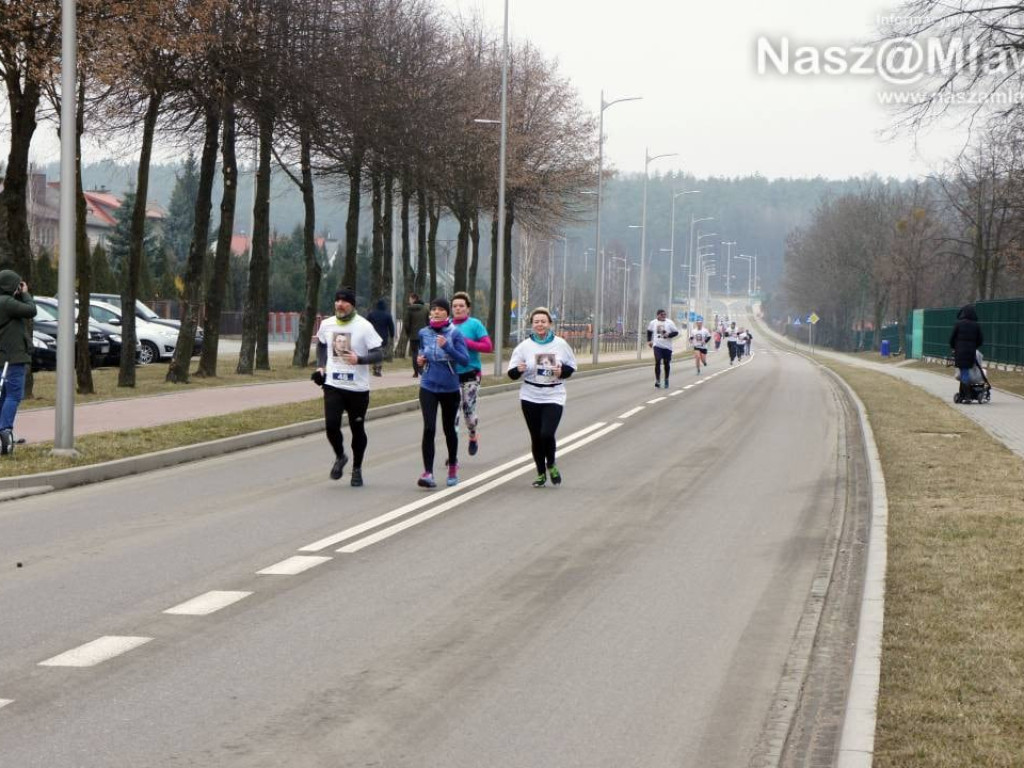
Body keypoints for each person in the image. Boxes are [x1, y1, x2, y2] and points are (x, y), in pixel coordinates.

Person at [313, 288, 383, 487]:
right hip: (333, 385)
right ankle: (340, 456)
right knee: (331, 426)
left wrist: (359, 359)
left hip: (357, 389)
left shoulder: (364, 326)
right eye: (337, 301)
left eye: (344, 302)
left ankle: (357, 468)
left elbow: (379, 354)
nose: (339, 305)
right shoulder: (327, 324)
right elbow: (321, 344)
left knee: (357, 428)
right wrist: (320, 365)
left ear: (352, 305)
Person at [508, 307, 577, 488]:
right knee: (536, 437)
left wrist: (562, 372)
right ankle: (540, 473)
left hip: (554, 394)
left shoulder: (560, 344)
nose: (540, 325)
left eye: (543, 321)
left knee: (547, 433)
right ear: (532, 325)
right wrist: (519, 370)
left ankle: (551, 464)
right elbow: (512, 373)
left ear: (549, 323)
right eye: (536, 322)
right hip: (530, 395)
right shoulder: (524, 347)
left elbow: (572, 367)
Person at [416, 298, 469, 488]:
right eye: (433, 310)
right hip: (428, 385)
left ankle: (452, 465)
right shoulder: (424, 332)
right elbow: (421, 354)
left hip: (450, 388)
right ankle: (428, 472)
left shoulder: (455, 334)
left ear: (447, 313)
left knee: (448, 430)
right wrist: (420, 361)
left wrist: (448, 346)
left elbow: (464, 360)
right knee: (429, 428)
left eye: (440, 310)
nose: (436, 312)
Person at [451, 291, 493, 456]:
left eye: (461, 306)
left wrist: (467, 343)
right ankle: (452, 452)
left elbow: (488, 347)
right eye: (455, 306)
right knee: (452, 415)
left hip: (471, 372)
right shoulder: (447, 325)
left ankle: (472, 434)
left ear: (468, 309)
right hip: (452, 374)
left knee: (468, 411)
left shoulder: (475, 324)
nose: (458, 309)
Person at [0, 269, 37, 456]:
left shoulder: (6, 303)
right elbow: (31, 310)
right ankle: (4, 431)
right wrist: (25, 293)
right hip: (12, 358)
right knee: (13, 395)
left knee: (3, 394)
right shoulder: (7, 303)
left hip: (3, 358)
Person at [949, 303, 983, 400]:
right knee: (965, 371)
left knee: (964, 372)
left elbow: (952, 338)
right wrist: (974, 346)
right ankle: (963, 394)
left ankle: (967, 396)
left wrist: (954, 347)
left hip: (959, 352)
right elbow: (980, 340)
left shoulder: (958, 324)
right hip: (970, 352)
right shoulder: (976, 325)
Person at [646, 308, 680, 388]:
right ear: (658, 315)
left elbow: (676, 332)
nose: (664, 316)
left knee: (666, 363)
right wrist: (649, 341)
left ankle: (666, 379)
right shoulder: (653, 322)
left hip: (667, 347)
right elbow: (649, 331)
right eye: (662, 315)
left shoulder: (669, 322)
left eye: (665, 315)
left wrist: (669, 335)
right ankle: (657, 381)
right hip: (657, 345)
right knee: (657, 361)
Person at [365, 299, 395, 376]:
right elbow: (391, 326)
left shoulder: (371, 314)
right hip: (383, 337)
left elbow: (366, 324)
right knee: (380, 353)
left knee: (374, 352)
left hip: (372, 336)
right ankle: (378, 367)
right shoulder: (387, 315)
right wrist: (392, 335)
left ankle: (375, 366)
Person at [403, 292, 428, 378]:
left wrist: (408, 332)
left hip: (413, 335)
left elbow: (406, 323)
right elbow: (428, 322)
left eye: (410, 299)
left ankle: (416, 372)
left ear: (414, 299)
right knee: (423, 352)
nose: (409, 301)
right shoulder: (425, 309)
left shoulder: (409, 309)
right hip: (424, 335)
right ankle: (422, 369)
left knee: (414, 353)